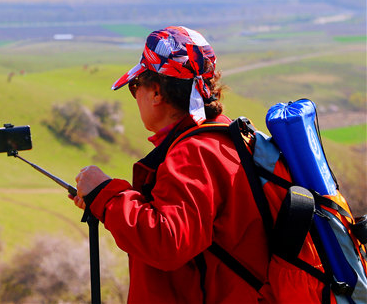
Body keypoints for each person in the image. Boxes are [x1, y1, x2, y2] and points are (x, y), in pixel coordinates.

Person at [71, 26, 318, 303]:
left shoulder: (194, 153)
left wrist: (106, 195)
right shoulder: (224, 135)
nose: (135, 95)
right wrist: (106, 198)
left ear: (156, 93)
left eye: (135, 85)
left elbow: (168, 242)